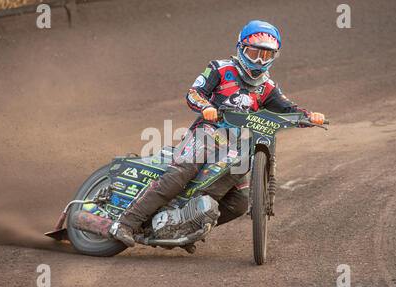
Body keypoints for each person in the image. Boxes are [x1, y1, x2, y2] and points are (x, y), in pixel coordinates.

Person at [114, 20, 326, 247]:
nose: (259, 61)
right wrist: (206, 107)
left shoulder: (267, 87)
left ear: (274, 57)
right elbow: (194, 93)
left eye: (266, 56)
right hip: (207, 132)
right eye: (254, 53)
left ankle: (184, 227)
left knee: (240, 202)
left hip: (234, 147)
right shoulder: (220, 68)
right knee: (184, 169)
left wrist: (309, 115)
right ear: (241, 48)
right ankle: (126, 222)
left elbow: (288, 108)